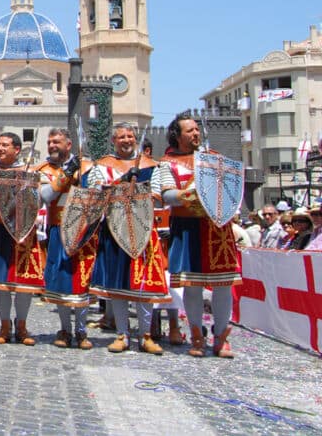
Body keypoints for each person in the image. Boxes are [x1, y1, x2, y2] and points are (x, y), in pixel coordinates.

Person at [154, 113, 242, 358]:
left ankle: (222, 337)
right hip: (187, 227)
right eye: (189, 131)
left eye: (196, 129)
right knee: (191, 286)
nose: (195, 134)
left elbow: (232, 190)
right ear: (177, 136)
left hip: (217, 228)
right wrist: (189, 193)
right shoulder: (166, 164)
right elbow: (166, 195)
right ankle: (197, 336)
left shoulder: (214, 159)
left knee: (223, 285)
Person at [89, 123, 172, 354]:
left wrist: (139, 189)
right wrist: (122, 182)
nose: (126, 140)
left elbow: (158, 197)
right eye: (121, 137)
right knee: (119, 286)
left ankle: (145, 335)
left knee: (144, 286)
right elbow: (97, 194)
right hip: (115, 228)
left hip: (143, 228)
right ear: (114, 141)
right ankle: (122, 334)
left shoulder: (153, 166)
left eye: (130, 136)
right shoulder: (102, 166)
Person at [0, 133, 44, 345]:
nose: (0, 148)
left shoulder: (31, 172)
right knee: (0, 283)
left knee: (23, 283)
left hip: (24, 231)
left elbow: (39, 199)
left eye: (5, 145)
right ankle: (4, 325)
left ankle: (22, 325)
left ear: (17, 149)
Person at [38, 128, 95, 350]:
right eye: (50, 142)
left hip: (82, 230)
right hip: (57, 228)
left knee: (81, 280)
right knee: (61, 280)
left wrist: (82, 176)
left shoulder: (88, 167)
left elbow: (96, 194)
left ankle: (81, 330)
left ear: (68, 145)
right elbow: (46, 196)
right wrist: (66, 174)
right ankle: (64, 328)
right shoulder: (44, 170)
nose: (52, 145)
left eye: (57, 141)